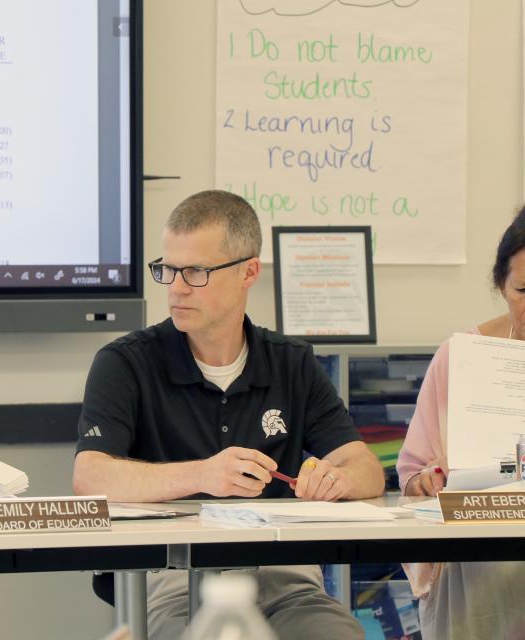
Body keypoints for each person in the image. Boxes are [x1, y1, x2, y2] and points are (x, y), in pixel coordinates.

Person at [72, 190, 385, 640]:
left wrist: (337, 479)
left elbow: (366, 469)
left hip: (285, 581)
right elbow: (91, 477)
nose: (176, 287)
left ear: (248, 272)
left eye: (196, 272)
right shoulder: (126, 363)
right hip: (172, 583)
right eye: (168, 269)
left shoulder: (291, 362)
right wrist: (203, 475)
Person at [397, 205, 525, 640]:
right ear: (501, 286)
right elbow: (412, 477)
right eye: (524, 290)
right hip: (480, 567)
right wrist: (425, 484)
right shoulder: (460, 357)